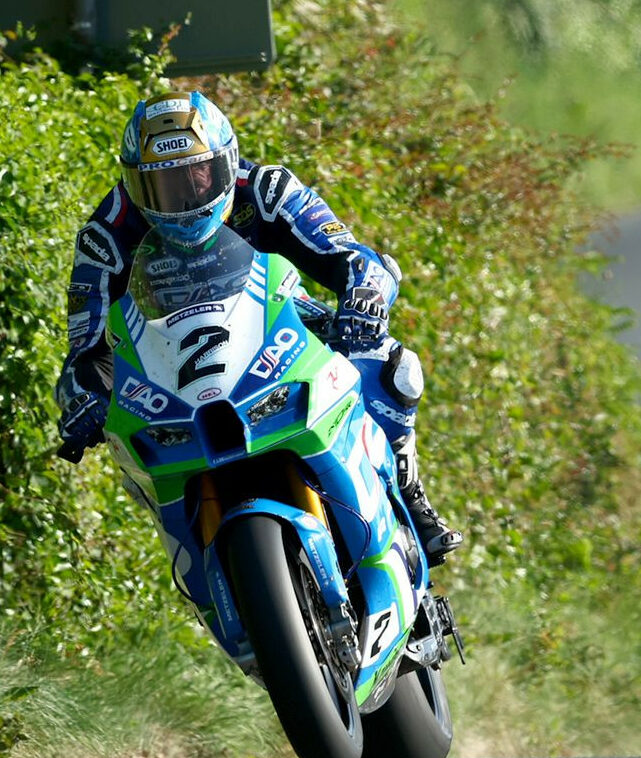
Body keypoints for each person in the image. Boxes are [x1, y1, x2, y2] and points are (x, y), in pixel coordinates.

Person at [55, 89, 464, 566]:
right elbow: (84, 349)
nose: (184, 195)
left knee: (392, 365)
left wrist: (365, 296)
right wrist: (82, 397)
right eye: (162, 185)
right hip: (172, 373)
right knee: (128, 448)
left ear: (226, 162)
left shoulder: (267, 189)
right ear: (133, 184)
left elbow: (352, 257)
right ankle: (204, 565)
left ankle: (411, 495)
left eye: (196, 174)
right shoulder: (106, 236)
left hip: (282, 329)